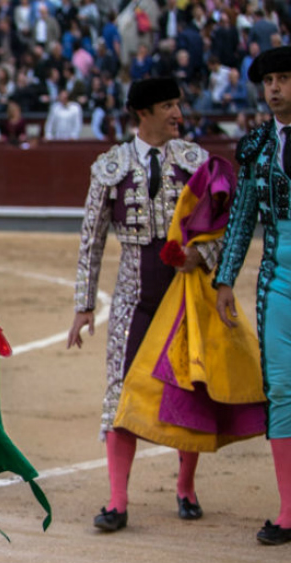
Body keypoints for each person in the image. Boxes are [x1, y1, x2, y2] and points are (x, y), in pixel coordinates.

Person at [67, 77, 220, 532]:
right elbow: (91, 238)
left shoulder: (196, 161)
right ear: (144, 113)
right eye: (169, 105)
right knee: (121, 392)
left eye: (178, 104)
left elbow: (222, 228)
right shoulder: (110, 166)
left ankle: (186, 487)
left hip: (183, 294)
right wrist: (84, 305)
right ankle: (117, 501)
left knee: (188, 389)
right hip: (133, 296)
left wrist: (200, 255)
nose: (178, 113)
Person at [215, 45, 291, 546]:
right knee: (282, 389)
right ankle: (289, 510)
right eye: (269, 81)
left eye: (284, 78)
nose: (276, 88)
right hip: (279, 280)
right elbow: (243, 215)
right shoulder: (259, 144)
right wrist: (225, 278)